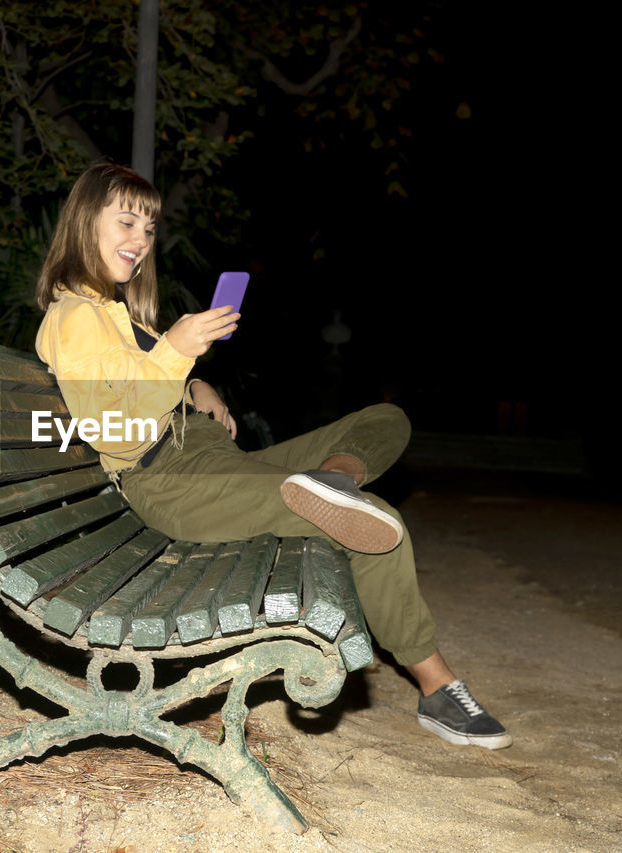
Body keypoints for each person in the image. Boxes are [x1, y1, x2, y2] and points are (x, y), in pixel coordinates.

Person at [34, 163, 511, 749]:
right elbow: (113, 428)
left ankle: (332, 478)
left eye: (150, 227)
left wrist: (194, 386)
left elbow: (134, 384)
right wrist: (176, 356)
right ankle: (437, 686)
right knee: (379, 521)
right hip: (169, 480)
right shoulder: (73, 316)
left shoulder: (117, 312)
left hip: (209, 454)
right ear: (85, 223)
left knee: (384, 418)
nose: (140, 239)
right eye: (126, 220)